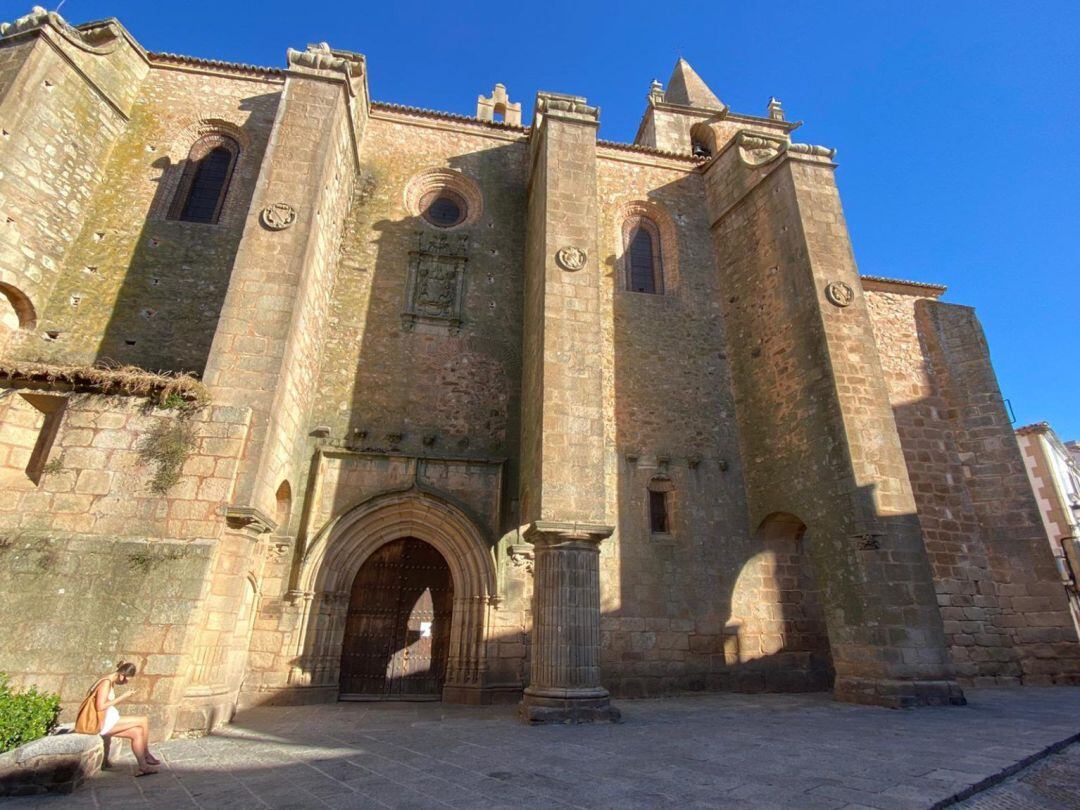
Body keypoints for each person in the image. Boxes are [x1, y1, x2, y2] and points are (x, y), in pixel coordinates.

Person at [90, 662, 160, 776]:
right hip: (104, 723)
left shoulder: (109, 681)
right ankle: (146, 754)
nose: (125, 682)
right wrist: (122, 697)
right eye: (126, 679)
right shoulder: (105, 683)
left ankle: (143, 767)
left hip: (110, 719)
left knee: (137, 732)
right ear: (121, 675)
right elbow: (100, 706)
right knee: (143, 720)